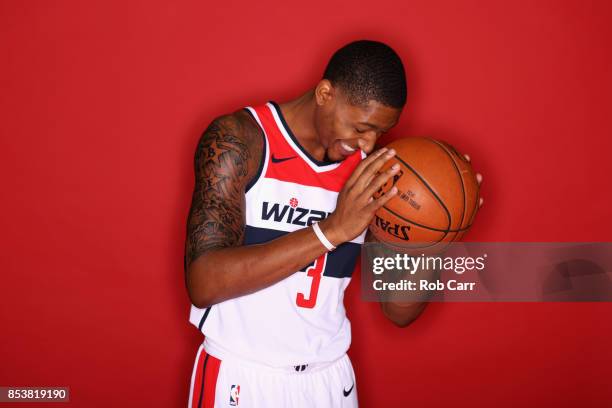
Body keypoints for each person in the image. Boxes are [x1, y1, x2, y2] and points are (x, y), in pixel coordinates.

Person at [184, 40, 482, 407]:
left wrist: (436, 238)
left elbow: (398, 309)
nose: (368, 144)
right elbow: (204, 282)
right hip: (244, 378)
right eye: (361, 126)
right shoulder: (241, 139)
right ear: (326, 93)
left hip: (329, 381)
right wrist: (332, 231)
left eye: (380, 132)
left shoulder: (373, 172)